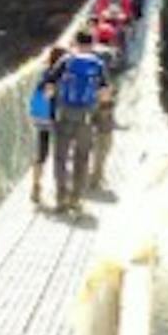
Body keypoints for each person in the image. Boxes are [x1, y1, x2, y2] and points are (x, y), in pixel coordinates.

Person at [49, 32, 108, 214]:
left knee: (60, 157)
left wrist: (54, 106)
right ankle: (76, 198)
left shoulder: (66, 60)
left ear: (75, 43)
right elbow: (104, 93)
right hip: (86, 116)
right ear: (92, 44)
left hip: (65, 113)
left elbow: (49, 86)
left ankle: (61, 198)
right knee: (81, 158)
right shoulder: (98, 64)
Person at [28, 45, 61, 207]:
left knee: (42, 153)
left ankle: (36, 185)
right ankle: (60, 188)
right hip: (54, 119)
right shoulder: (57, 75)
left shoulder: (44, 72)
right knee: (61, 153)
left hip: (40, 118)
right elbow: (51, 94)